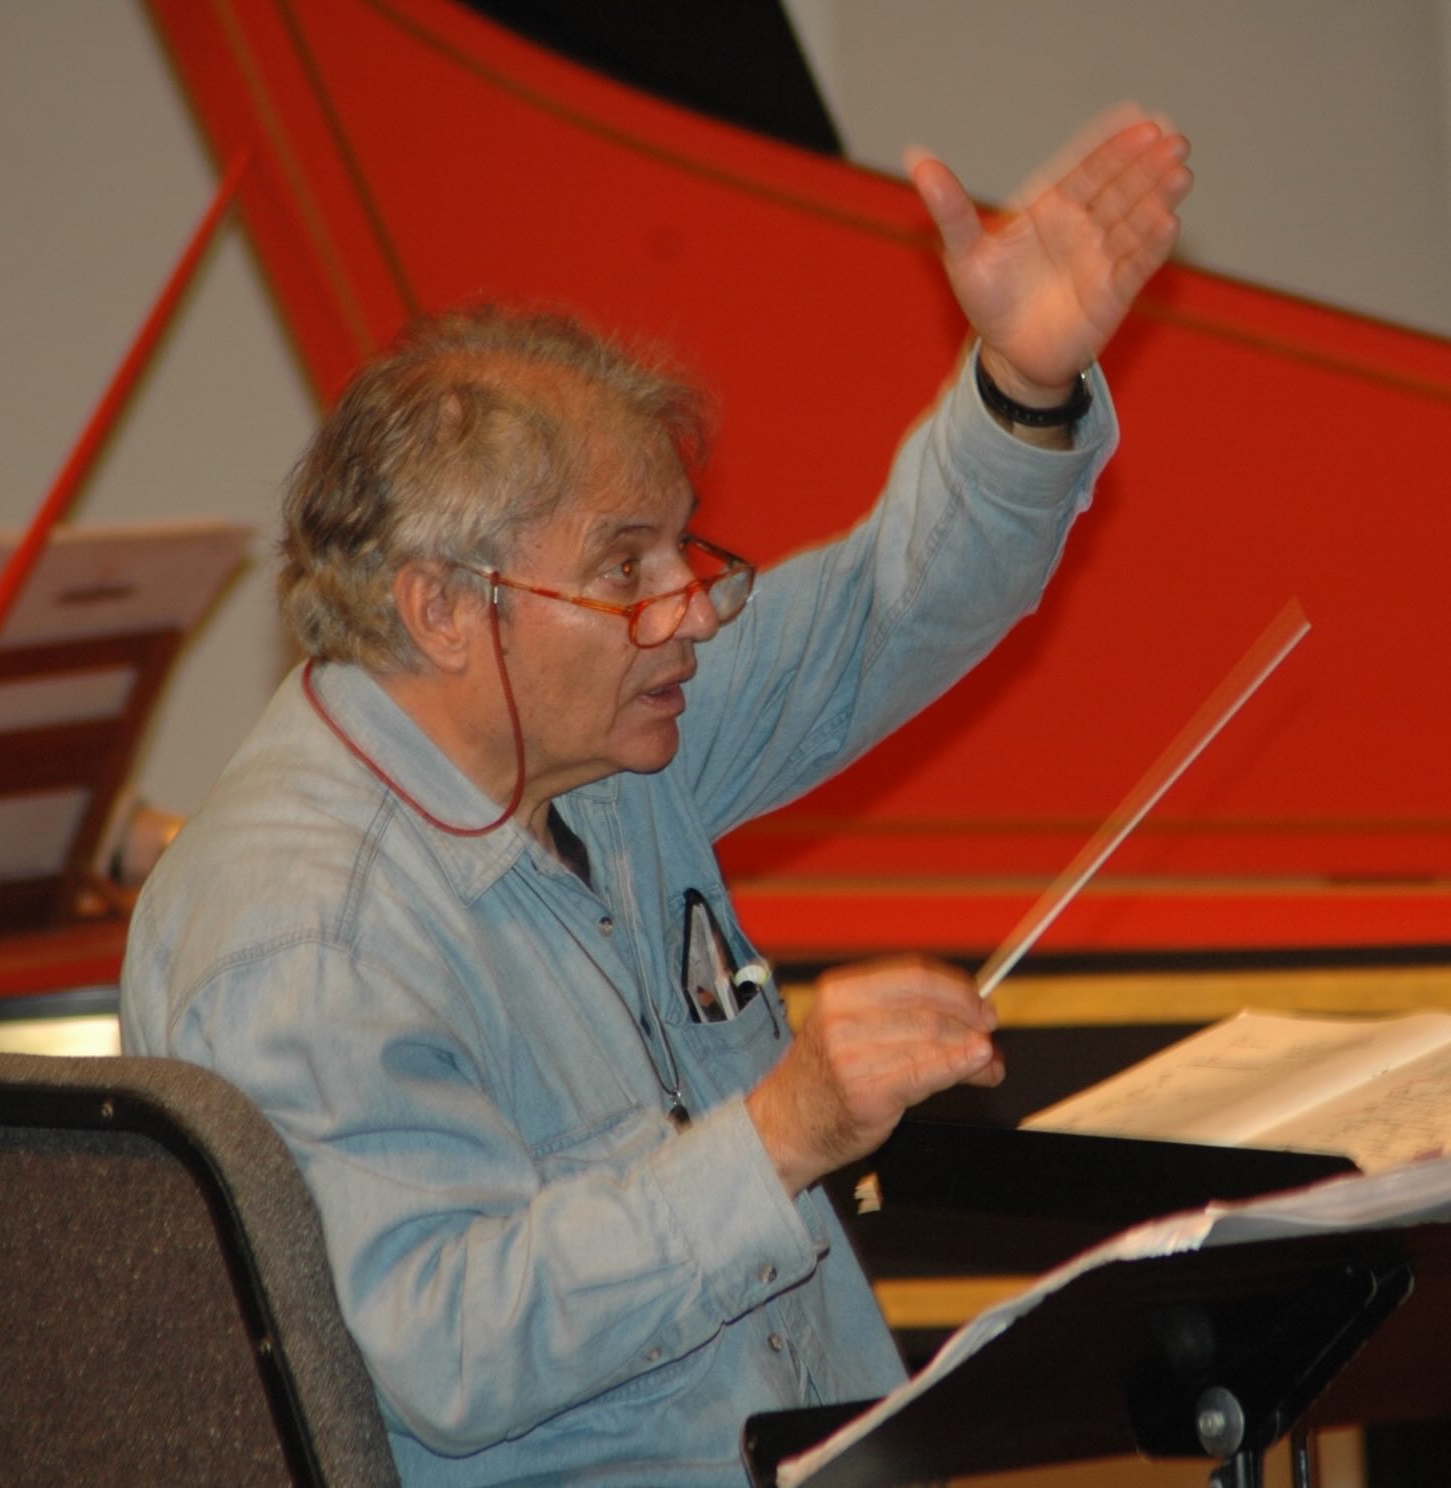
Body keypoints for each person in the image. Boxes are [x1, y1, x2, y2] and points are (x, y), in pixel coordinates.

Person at [121, 114, 1191, 1485]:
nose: (689, 605)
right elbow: (449, 1347)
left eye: (681, 549)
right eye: (626, 569)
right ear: (442, 610)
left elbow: (884, 610)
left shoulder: (596, 739)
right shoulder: (300, 930)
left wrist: (1022, 384)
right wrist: (780, 1133)